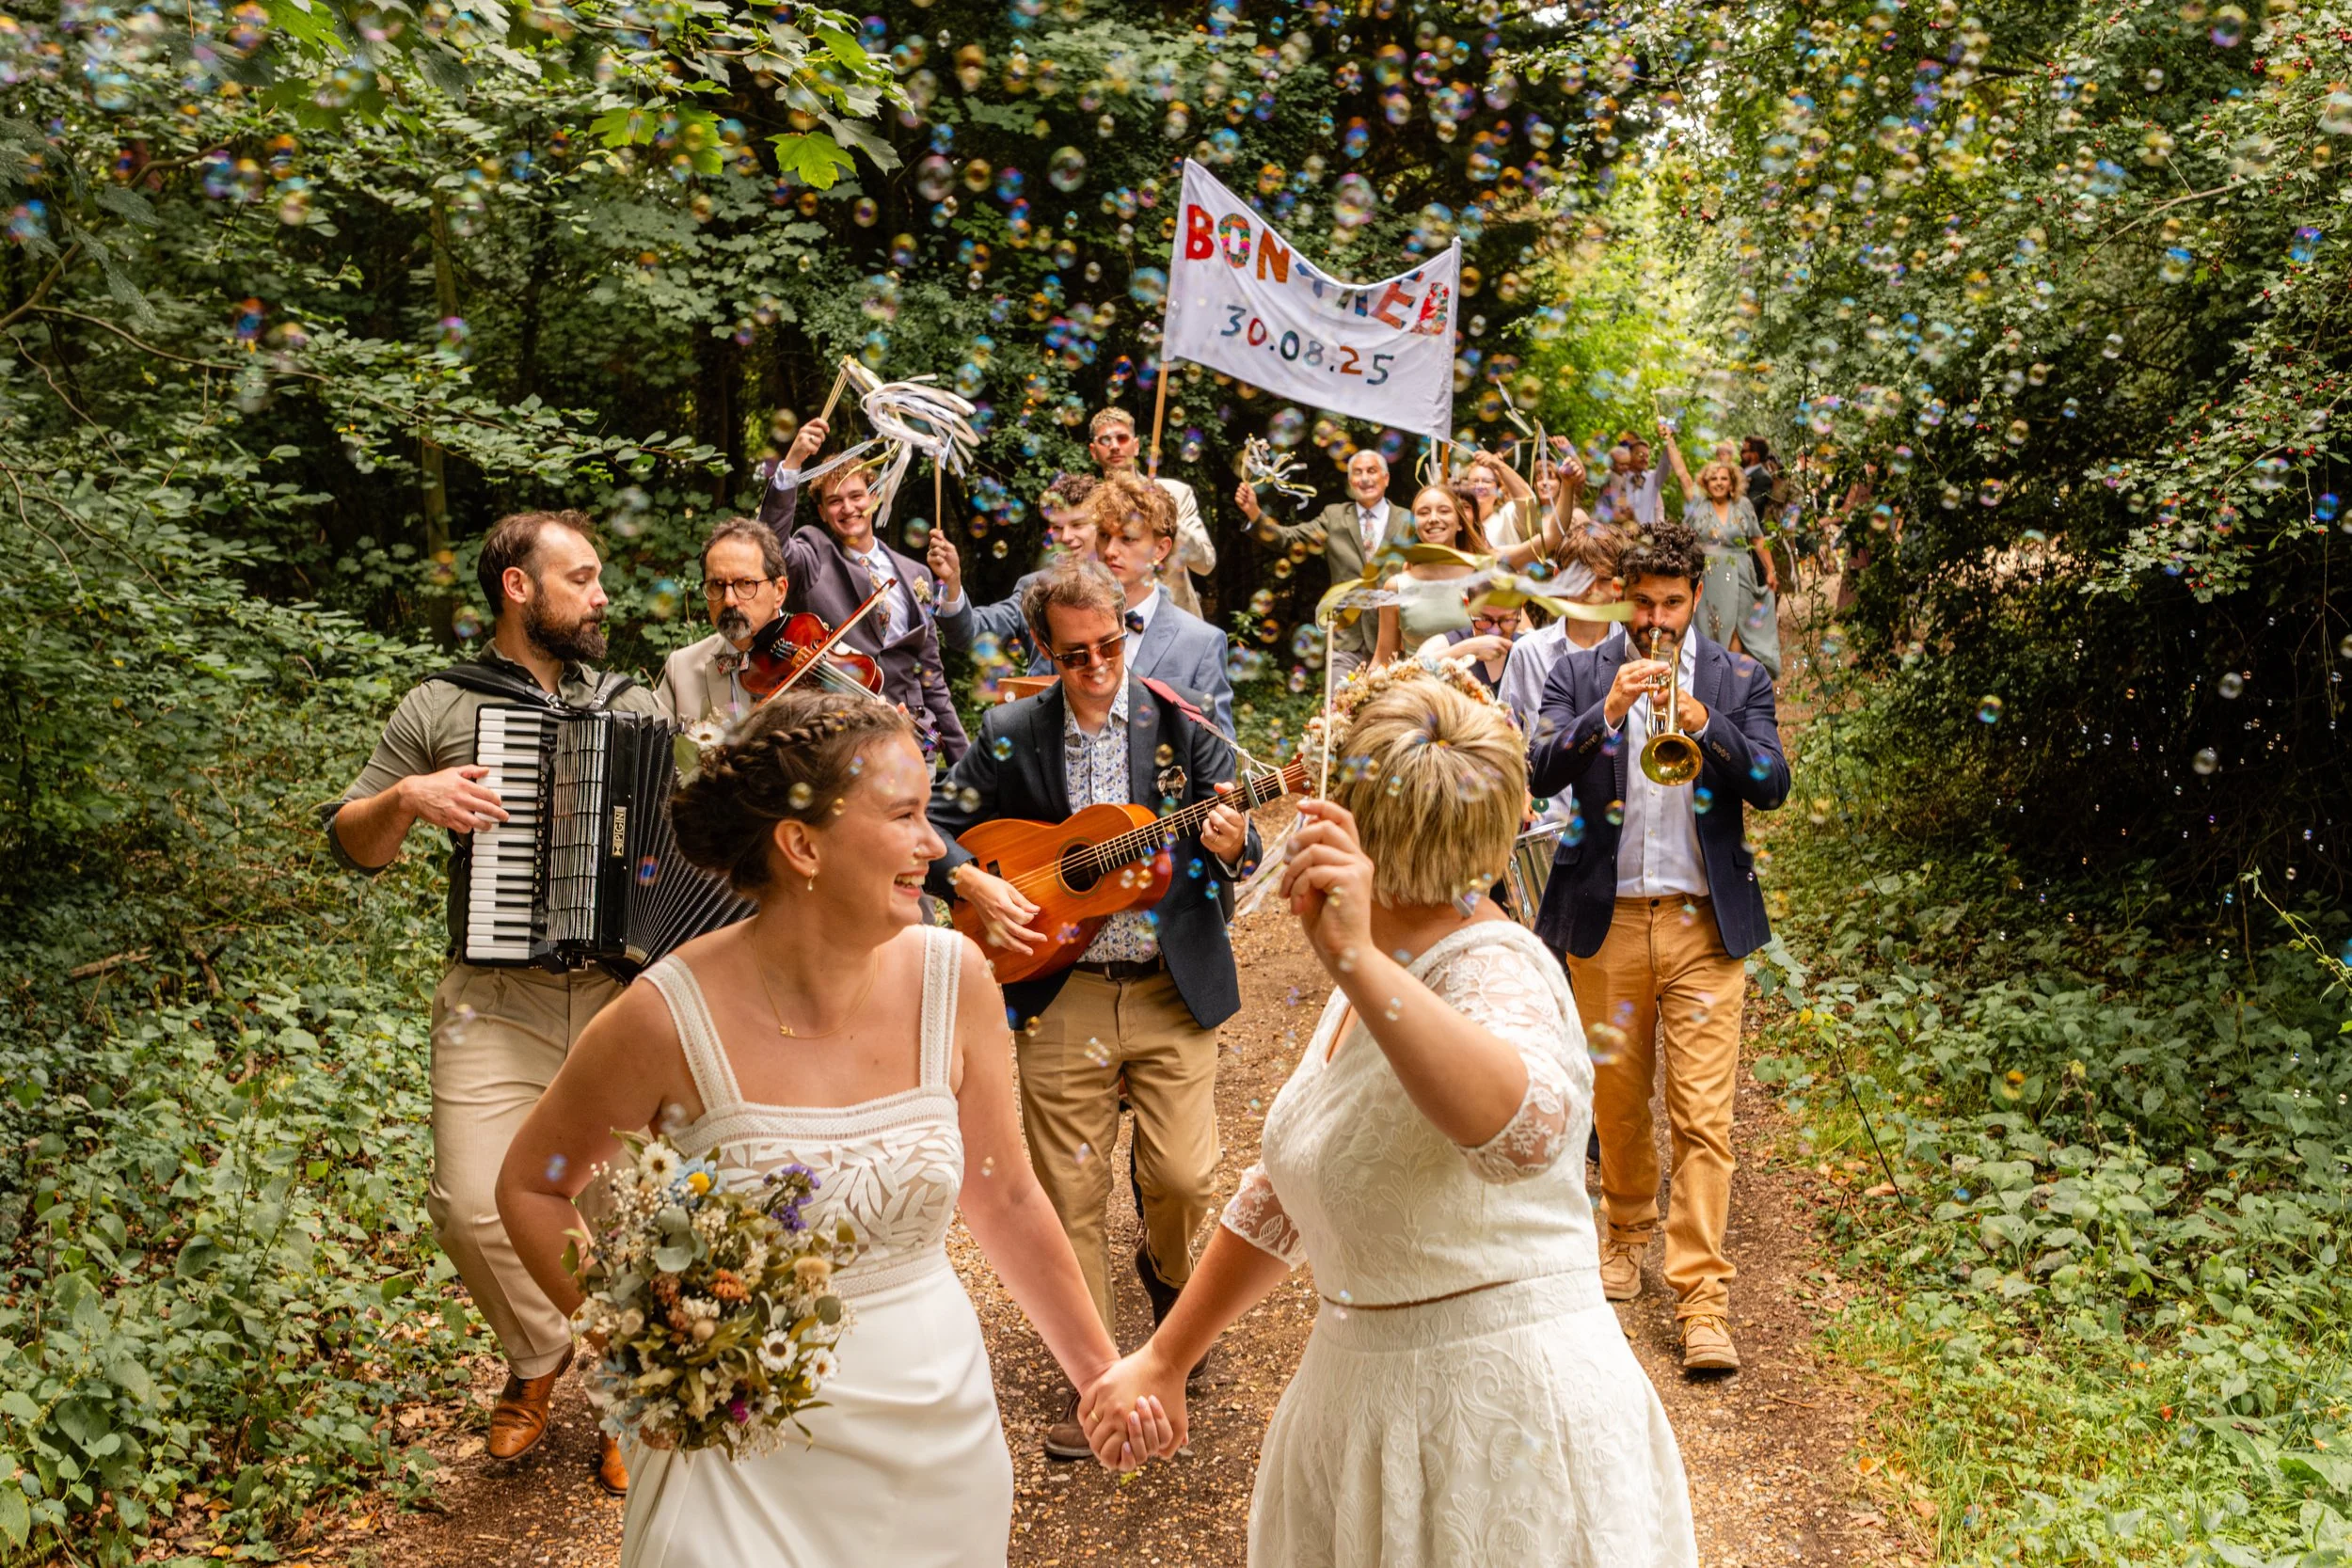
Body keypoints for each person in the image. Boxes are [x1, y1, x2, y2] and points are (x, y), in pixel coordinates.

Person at [495, 692, 1171, 1568]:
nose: (934, 847)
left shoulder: (955, 977)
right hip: (738, 1455)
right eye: (904, 816)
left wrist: (1099, 1375)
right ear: (803, 844)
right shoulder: (665, 1015)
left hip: (935, 1437)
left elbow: (1004, 1194)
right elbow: (532, 1184)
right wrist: (639, 1348)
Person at [1080, 663, 1697, 1566]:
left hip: (1497, 1438)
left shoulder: (1497, 967)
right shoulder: (1379, 974)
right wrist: (1166, 1357)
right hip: (1365, 1418)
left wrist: (1358, 963)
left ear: (1359, 831)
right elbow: (1293, 1183)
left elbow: (1528, 1131)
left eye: (1326, 798)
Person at [324, 511, 663, 1497]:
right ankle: (542, 1349)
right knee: (473, 1205)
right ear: (519, 587)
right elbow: (350, 840)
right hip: (496, 998)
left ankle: (627, 1387)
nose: (602, 596)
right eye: (582, 578)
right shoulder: (439, 702)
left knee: (622, 1207)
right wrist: (407, 800)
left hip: (620, 999)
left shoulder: (635, 702)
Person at [930, 561, 1260, 1460]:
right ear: (1045, 648)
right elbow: (934, 822)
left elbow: (1247, 839)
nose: (1097, 665)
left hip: (1168, 982)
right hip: (1059, 984)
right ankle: (1104, 1380)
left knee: (1185, 1177)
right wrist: (971, 882)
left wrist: (1235, 839)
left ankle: (1168, 1277)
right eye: (1075, 653)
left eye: (1110, 644)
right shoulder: (1010, 731)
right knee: (1068, 1192)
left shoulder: (1182, 721)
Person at [1525, 520, 1790, 1372]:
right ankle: (1625, 1232)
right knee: (1617, 1102)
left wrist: (1706, 723)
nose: (1656, 620)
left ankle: (1703, 1299)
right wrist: (1607, 712)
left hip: (1705, 926)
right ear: (1620, 598)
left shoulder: (1738, 678)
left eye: (1672, 603)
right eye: (1642, 602)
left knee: (1704, 1118)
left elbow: (1772, 784)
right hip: (1607, 921)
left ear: (1695, 598)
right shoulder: (1578, 673)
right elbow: (1536, 768)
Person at [756, 418, 969, 761]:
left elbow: (932, 675)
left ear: (874, 497)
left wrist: (965, 762)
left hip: (911, 740)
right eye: (835, 501)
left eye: (856, 496)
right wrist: (793, 464)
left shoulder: (917, 574)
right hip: (840, 741)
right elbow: (770, 545)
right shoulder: (813, 555)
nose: (848, 508)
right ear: (822, 512)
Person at [1069, 472, 1235, 733]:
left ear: (1161, 549)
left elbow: (1219, 748)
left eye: (1128, 538)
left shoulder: (1201, 643)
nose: (1110, 551)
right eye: (1104, 536)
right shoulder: (1066, 628)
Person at [1232, 447, 1412, 683]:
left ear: (1386, 478)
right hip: (1346, 640)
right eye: (1357, 472)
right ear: (1351, 482)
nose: (1365, 478)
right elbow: (1289, 538)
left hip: (1395, 640)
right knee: (1339, 704)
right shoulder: (1334, 517)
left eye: (1372, 471)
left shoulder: (1408, 519)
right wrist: (1255, 513)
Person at [1658, 420, 1781, 680]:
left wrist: (1770, 570)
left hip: (1741, 574)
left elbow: (1758, 540)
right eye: (1713, 478)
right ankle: (1711, 679)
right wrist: (1669, 439)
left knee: (1737, 628)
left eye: (1724, 478)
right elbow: (1682, 474)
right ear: (1706, 482)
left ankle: (1732, 682)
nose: (1718, 483)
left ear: (1732, 481)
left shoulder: (1743, 505)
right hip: (1709, 575)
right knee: (1714, 628)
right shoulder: (1698, 503)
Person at [934, 473, 1100, 664]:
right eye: (1057, 528)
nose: (1066, 537)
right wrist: (953, 583)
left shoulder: (1123, 581)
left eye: (1077, 525)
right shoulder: (1036, 588)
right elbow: (969, 635)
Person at [653, 517, 788, 726]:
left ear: (779, 591)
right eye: (716, 585)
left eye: (745, 583)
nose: (729, 600)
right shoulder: (681, 669)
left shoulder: (817, 660)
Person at [1087, 407, 1216, 617]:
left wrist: (1166, 518)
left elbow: (1206, 564)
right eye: (1105, 440)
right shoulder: (1088, 509)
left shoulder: (1177, 493)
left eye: (1122, 438)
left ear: (1136, 446)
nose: (1115, 446)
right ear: (1093, 451)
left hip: (1175, 621)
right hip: (1113, 623)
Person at [1368, 484, 1487, 665]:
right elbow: (1382, 659)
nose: (1433, 519)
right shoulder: (1396, 587)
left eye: (1444, 511)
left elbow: (1520, 636)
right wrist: (1360, 683)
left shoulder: (1485, 577)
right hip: (1418, 682)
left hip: (1477, 681)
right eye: (1423, 513)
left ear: (1460, 523)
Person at [1431, 600, 1523, 694]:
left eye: (1507, 619)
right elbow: (1421, 665)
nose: (1495, 630)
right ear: (1468, 606)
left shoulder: (1526, 646)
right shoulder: (1446, 642)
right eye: (1485, 619)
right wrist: (1467, 649)